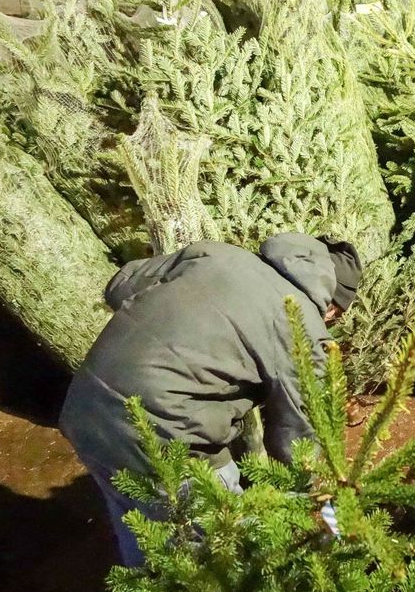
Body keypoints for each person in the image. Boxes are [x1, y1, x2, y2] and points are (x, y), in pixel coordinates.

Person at [59, 234, 362, 566]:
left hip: (84, 405)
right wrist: (328, 514)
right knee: (224, 549)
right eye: (337, 315)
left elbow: (120, 284)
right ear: (332, 304)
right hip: (167, 435)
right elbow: (301, 444)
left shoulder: (217, 254)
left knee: (140, 524)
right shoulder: (301, 325)